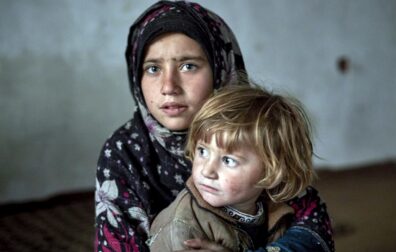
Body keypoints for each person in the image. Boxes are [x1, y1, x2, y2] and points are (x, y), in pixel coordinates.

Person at [94, 1, 334, 251]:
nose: (168, 86)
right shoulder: (123, 152)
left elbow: (314, 230)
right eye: (153, 68)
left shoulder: (257, 129)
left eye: (188, 66)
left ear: (220, 67)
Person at [147, 84, 318, 251]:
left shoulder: (276, 213)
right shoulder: (183, 228)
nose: (207, 171)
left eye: (228, 161)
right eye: (202, 151)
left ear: (271, 175)